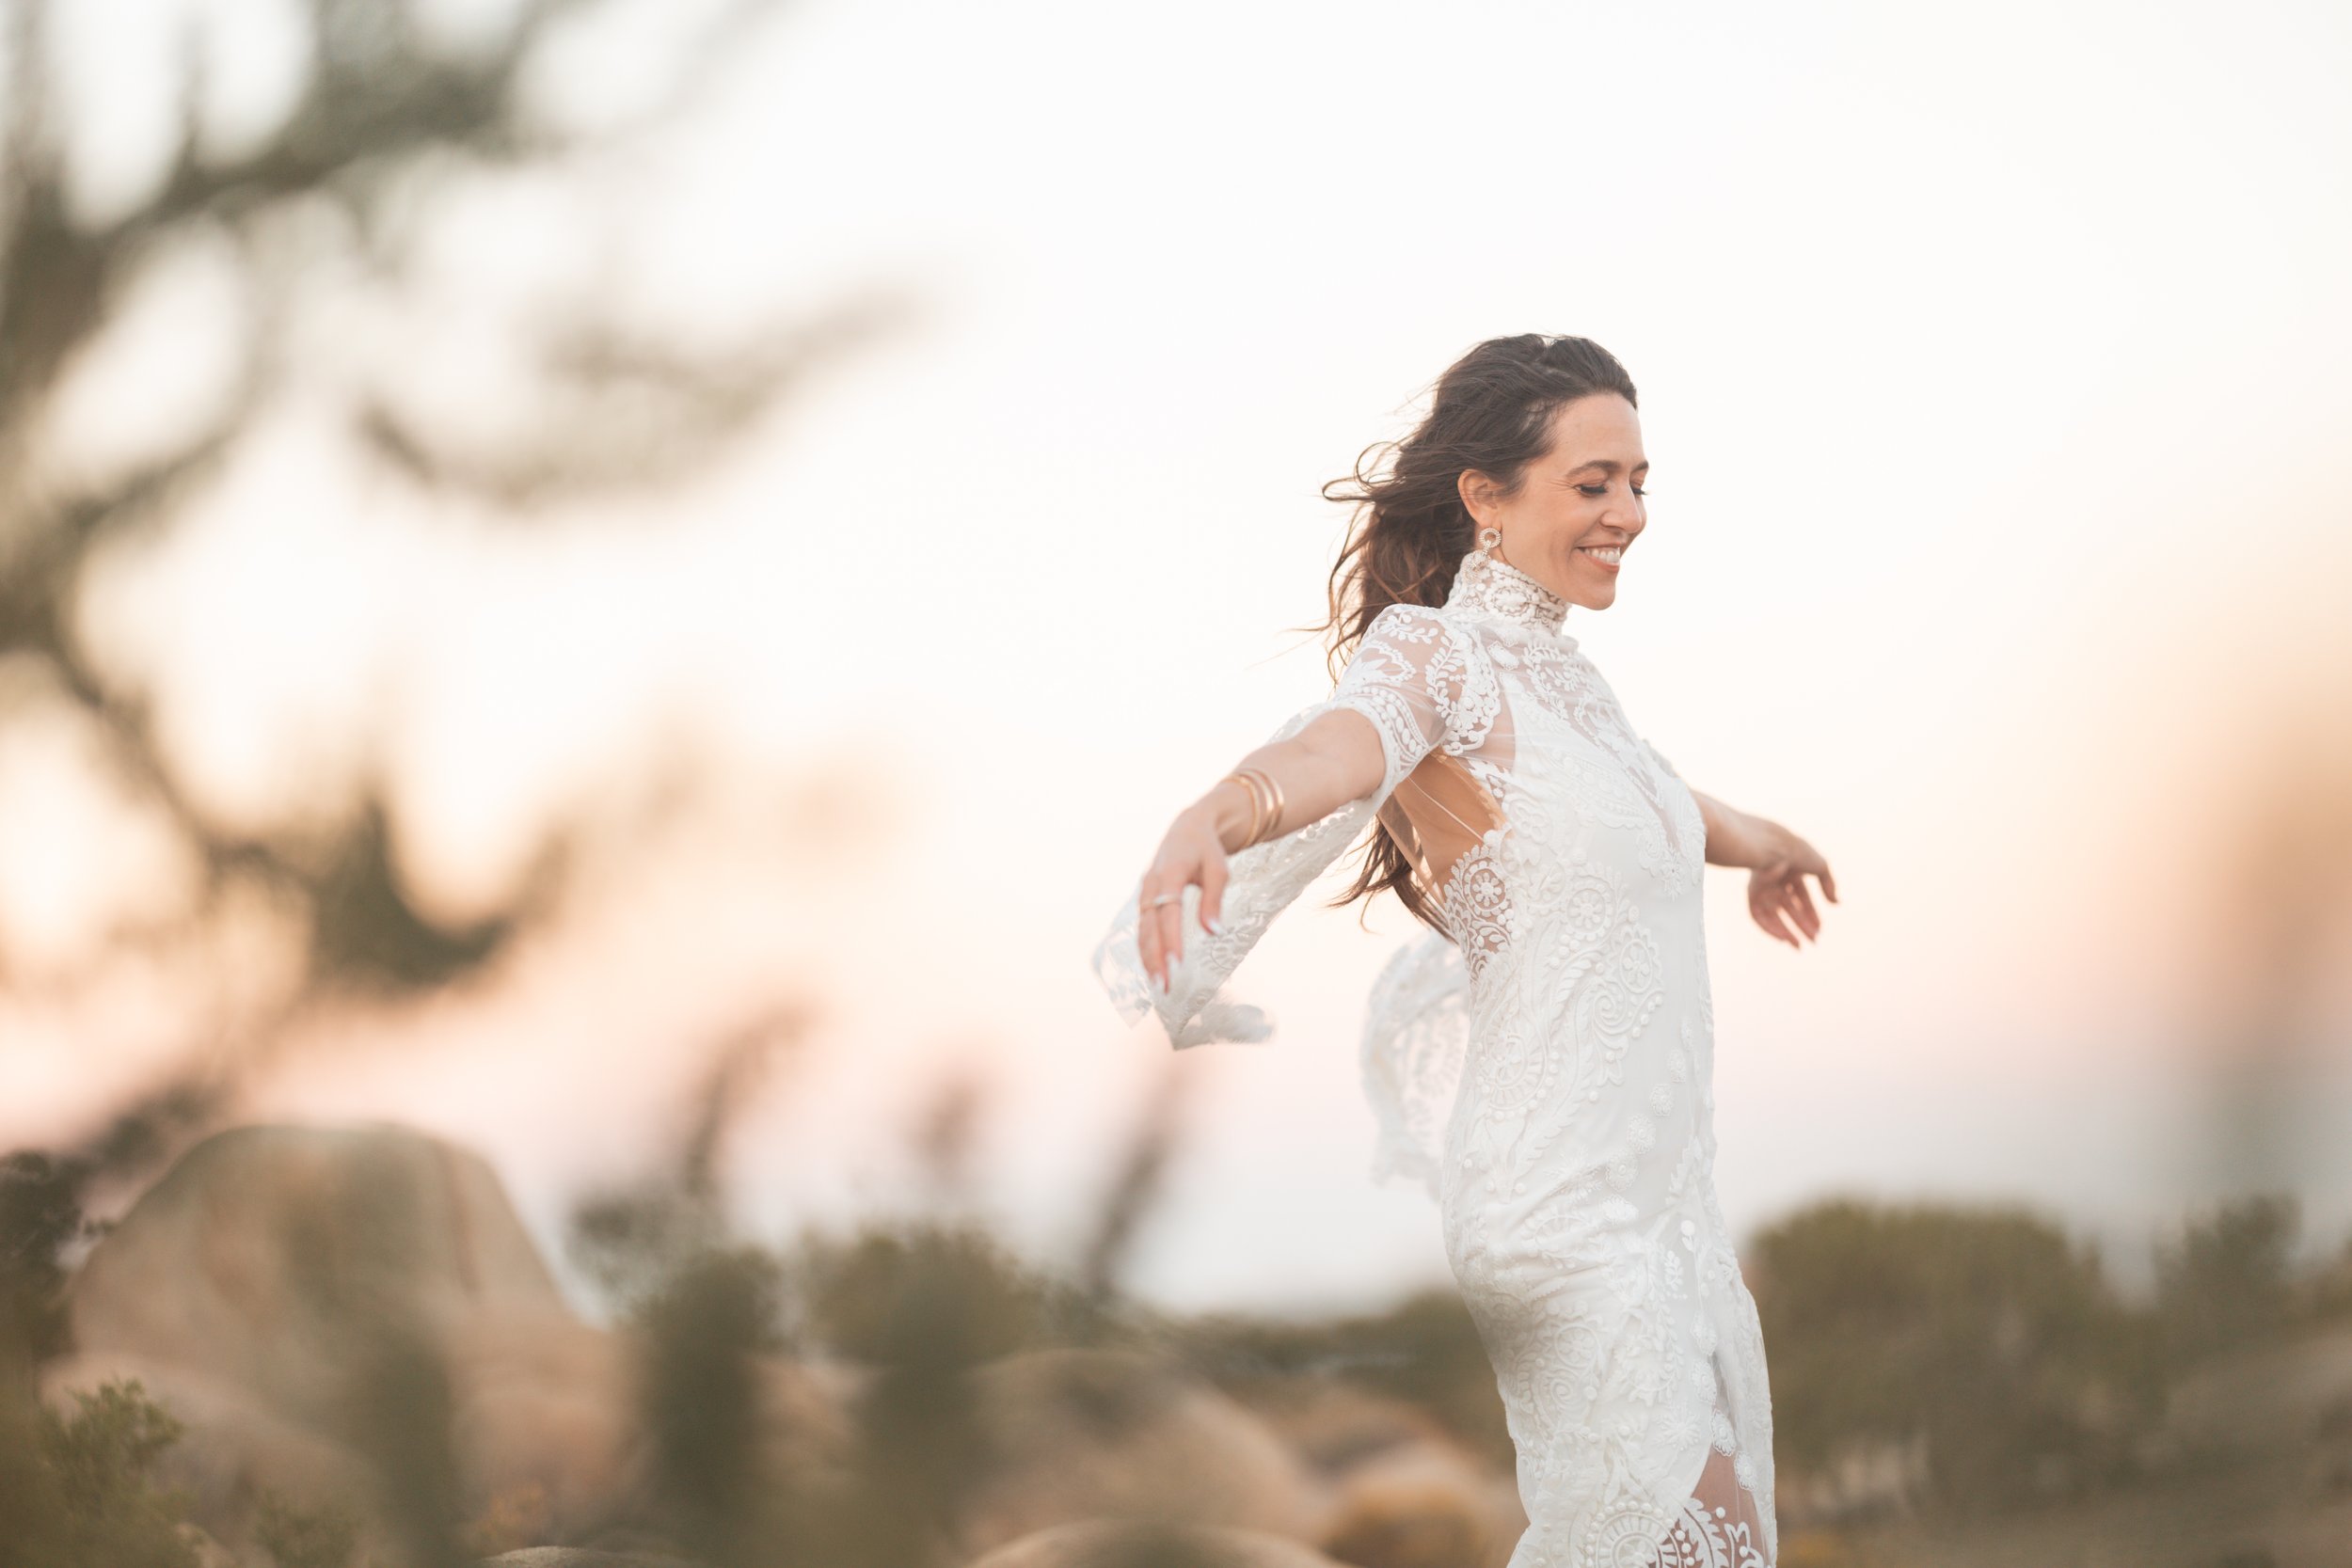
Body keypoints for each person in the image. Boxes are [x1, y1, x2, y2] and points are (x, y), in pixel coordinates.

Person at [1089, 335, 1836, 1567]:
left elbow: (1655, 796)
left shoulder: (1574, 689)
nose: (1628, 514)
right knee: (1678, 1531)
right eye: (1592, 483)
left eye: (1641, 482)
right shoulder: (1433, 658)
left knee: (1720, 1536)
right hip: (1553, 1201)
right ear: (1486, 495)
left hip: (1661, 1202)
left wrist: (1763, 841)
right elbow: (1333, 751)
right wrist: (1215, 814)